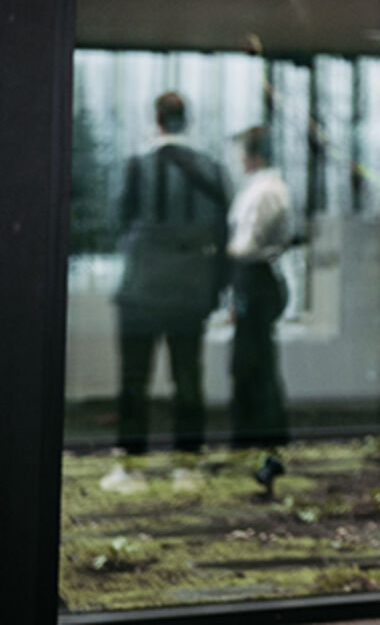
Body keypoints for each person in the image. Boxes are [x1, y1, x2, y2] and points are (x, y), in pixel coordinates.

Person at [103, 92, 230, 493]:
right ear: (185, 120)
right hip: (189, 292)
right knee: (188, 378)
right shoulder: (211, 170)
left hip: (140, 291)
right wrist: (215, 290)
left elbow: (116, 222)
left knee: (134, 379)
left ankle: (131, 468)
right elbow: (225, 233)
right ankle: (186, 467)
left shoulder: (136, 168)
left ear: (157, 119)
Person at [226, 125, 293, 493]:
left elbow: (247, 244)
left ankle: (269, 447)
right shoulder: (260, 187)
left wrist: (221, 256)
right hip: (252, 280)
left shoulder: (267, 190)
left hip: (257, 279)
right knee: (249, 364)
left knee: (257, 364)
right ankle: (257, 444)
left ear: (253, 153)